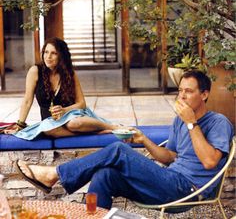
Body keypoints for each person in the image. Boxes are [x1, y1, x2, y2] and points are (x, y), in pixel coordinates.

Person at [16, 70, 234, 209]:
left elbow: (210, 162)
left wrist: (191, 123)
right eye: (180, 91)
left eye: (188, 92)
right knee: (105, 175)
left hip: (189, 190)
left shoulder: (218, 123)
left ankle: (55, 174)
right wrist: (143, 139)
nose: (182, 97)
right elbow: (169, 157)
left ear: (204, 94)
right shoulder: (179, 121)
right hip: (168, 180)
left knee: (118, 150)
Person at [5, 37, 120, 140]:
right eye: (46, 52)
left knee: (73, 124)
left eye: (53, 53)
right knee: (48, 130)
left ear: (61, 56)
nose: (48, 57)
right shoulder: (35, 71)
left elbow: (81, 104)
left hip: (72, 116)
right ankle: (97, 133)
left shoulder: (70, 73)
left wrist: (64, 110)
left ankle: (112, 127)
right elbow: (27, 100)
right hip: (51, 122)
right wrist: (20, 124)